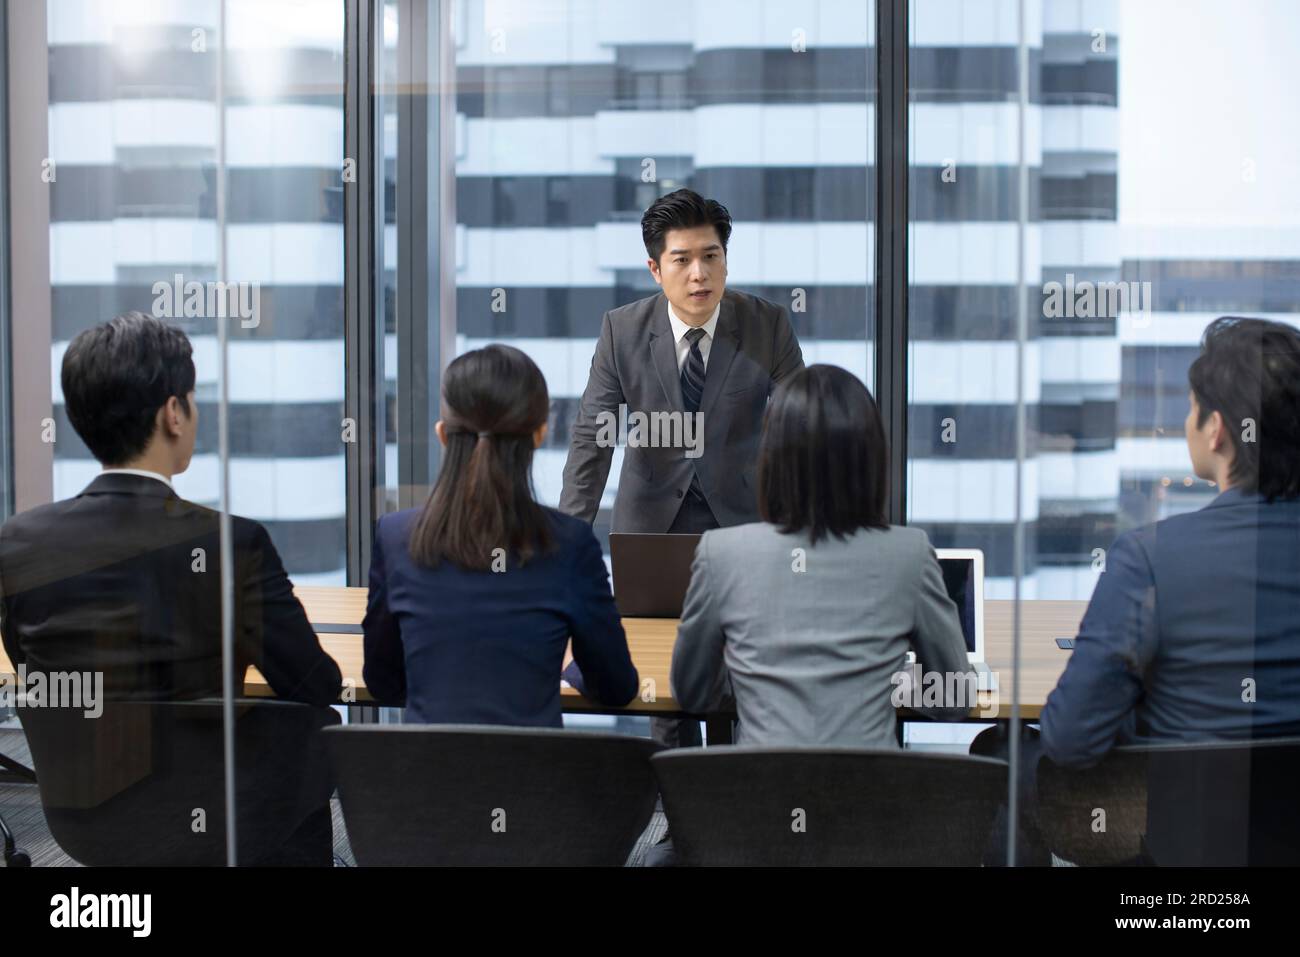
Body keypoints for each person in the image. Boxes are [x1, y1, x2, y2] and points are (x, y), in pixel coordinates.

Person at [0, 311, 342, 864]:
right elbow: (314, 682)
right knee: (307, 738)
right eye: (193, 398)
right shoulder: (233, 543)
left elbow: (32, 666)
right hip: (219, 821)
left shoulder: (17, 542)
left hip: (86, 819)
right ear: (174, 413)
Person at [560, 187, 804, 749]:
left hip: (743, 527)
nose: (700, 274)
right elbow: (593, 442)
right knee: (664, 682)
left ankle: (729, 814)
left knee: (740, 678)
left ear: (725, 258)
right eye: (682, 260)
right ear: (655, 268)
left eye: (711, 256)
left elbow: (803, 429)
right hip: (652, 531)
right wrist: (565, 547)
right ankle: (681, 820)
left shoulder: (766, 325)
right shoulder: (622, 331)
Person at [670, 364, 974, 747]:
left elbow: (692, 693)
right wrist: (886, 677)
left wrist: (752, 675)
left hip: (757, 799)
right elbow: (954, 697)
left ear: (770, 459)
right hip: (870, 798)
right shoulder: (909, 554)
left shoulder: (722, 553)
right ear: (871, 459)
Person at [1041, 316, 1300, 763]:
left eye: (1190, 408)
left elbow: (1069, 740)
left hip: (1188, 830)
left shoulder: (1149, 559)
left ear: (1215, 429)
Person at [363, 345, 639, 725]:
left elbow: (382, 681)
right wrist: (570, 667)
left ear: (443, 435)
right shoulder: (570, 544)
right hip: (535, 781)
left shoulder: (396, 538)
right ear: (540, 434)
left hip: (423, 780)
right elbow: (616, 686)